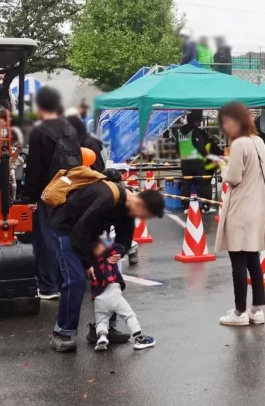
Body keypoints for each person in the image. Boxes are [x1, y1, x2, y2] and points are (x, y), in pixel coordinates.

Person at [47, 177, 165, 352]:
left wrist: (117, 251)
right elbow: (81, 230)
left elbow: (125, 236)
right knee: (76, 279)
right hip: (66, 228)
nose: (140, 219)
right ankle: (61, 333)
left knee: (111, 273)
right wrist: (88, 264)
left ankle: (104, 329)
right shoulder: (108, 198)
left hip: (87, 234)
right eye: (143, 215)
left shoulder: (128, 207)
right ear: (141, 204)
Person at [215, 102, 265, 326]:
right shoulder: (259, 142)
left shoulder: (239, 144)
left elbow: (234, 177)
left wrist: (223, 170)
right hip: (258, 208)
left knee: (237, 260)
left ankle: (239, 312)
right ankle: (256, 310)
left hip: (240, 209)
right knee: (252, 260)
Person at [24, 87, 76, 300]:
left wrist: (31, 196)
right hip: (70, 189)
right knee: (66, 235)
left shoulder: (40, 131)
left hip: (48, 191)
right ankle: (67, 281)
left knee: (46, 236)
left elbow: (34, 168)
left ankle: (48, 286)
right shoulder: (70, 128)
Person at [89, 237, 156, 351]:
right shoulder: (111, 255)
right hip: (113, 293)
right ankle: (139, 338)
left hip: (99, 296)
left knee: (102, 320)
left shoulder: (91, 262)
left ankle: (102, 337)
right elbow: (122, 245)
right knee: (129, 315)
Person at [173, 111, 219, 210]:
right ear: (195, 121)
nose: (200, 123)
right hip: (197, 163)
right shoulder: (197, 132)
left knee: (186, 184)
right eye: (198, 121)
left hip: (185, 163)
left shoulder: (179, 132)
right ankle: (207, 206)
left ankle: (185, 206)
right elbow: (201, 148)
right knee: (204, 184)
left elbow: (176, 148)